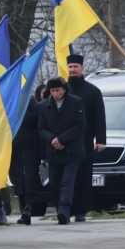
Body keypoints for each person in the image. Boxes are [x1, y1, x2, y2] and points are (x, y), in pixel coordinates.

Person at [39, 76, 86, 225]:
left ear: (64, 90)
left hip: (71, 150)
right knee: (54, 183)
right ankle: (60, 207)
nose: (55, 94)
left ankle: (64, 211)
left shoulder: (75, 102)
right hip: (53, 151)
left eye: (58, 90)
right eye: (52, 91)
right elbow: (40, 128)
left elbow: (80, 125)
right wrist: (53, 139)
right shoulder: (44, 106)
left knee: (67, 181)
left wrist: (62, 139)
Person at [65, 54, 107, 222]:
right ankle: (65, 208)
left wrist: (101, 140)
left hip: (85, 141)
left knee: (83, 176)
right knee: (66, 177)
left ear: (82, 68)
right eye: (70, 67)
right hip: (65, 141)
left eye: (75, 67)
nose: (73, 70)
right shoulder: (62, 89)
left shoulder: (92, 91)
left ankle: (81, 210)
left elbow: (99, 117)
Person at [14, 84, 48, 224]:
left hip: (31, 146)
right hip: (14, 147)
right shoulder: (10, 104)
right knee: (17, 178)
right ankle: (23, 209)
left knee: (30, 177)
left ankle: (28, 208)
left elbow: (40, 126)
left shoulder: (34, 104)